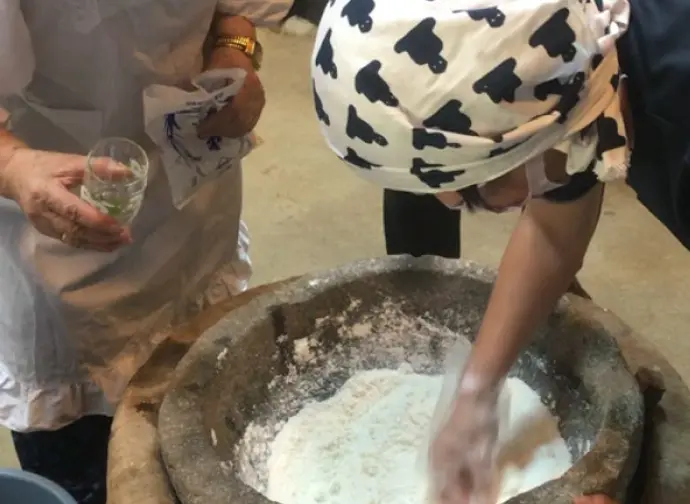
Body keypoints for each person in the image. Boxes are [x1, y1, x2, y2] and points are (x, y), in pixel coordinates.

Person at [312, 0, 687, 502]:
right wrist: (476, 391)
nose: (454, 204)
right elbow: (555, 226)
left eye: (471, 191)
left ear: (524, 129)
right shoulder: (568, 63)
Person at [0, 1, 296, 503]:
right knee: (93, 474)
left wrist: (234, 48)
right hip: (56, 227)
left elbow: (233, 8)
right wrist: (12, 165)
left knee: (198, 440)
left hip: (193, 196)